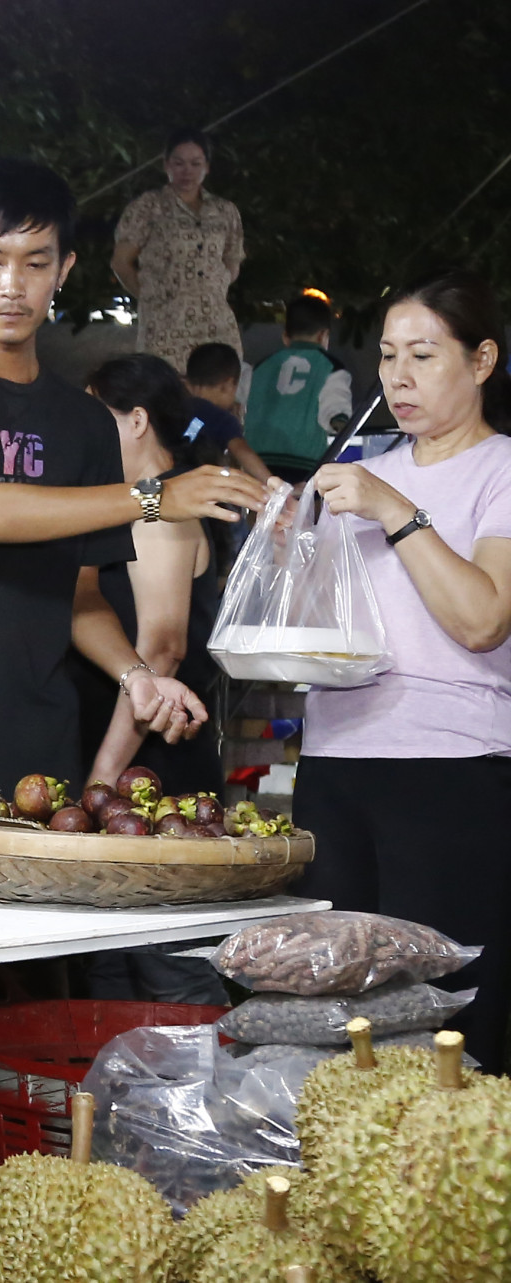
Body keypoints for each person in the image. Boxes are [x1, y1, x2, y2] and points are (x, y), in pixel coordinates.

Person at [0, 158, 265, 791]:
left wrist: (135, 675)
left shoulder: (87, 425)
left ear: (63, 270)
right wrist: (152, 498)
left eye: (36, 263)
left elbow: (80, 597)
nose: (12, 285)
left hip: (35, 741)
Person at [297, 267, 511, 1074]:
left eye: (424, 355)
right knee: (333, 1016)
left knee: (446, 1018)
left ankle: (451, 1195)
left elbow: (482, 617)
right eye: (388, 355)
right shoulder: (362, 467)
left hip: (450, 771)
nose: (398, 377)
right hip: (334, 763)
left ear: (482, 359)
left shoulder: (499, 471)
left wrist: (395, 510)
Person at [81, 354, 224, 794]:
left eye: (92, 418)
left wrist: (99, 783)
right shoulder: (140, 504)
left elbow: (162, 650)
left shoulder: (160, 512)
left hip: (147, 772)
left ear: (137, 420)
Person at [111, 129, 246, 372]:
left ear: (207, 166)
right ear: (166, 165)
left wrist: (218, 283)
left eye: (196, 163)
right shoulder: (148, 207)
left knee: (217, 398)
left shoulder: (225, 211)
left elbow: (232, 258)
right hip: (166, 327)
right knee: (168, 399)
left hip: (216, 325)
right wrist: (153, 295)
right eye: (179, 163)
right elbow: (121, 262)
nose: (187, 171)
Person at [244, 294, 353, 484]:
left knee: (260, 509)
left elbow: (241, 404)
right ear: (323, 335)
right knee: (308, 511)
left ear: (285, 336)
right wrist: (341, 423)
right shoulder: (331, 367)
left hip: (257, 462)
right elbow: (335, 409)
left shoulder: (260, 367)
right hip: (304, 464)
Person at [183, 342, 272, 483]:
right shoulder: (220, 418)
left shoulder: (175, 408)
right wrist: (272, 482)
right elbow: (242, 452)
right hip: (196, 485)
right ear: (228, 385)